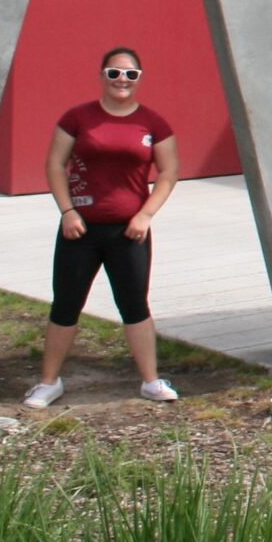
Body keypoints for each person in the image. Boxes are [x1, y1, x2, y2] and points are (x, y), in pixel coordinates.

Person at [24, 46, 181, 407]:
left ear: (139, 79)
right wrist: (67, 211)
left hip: (129, 233)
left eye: (130, 74)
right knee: (66, 304)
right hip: (80, 231)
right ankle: (48, 383)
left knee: (134, 305)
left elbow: (169, 173)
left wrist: (145, 215)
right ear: (102, 76)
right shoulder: (78, 118)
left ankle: (151, 381)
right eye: (114, 73)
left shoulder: (153, 124)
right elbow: (54, 165)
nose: (122, 80)